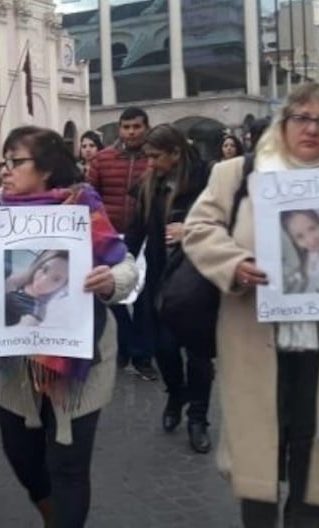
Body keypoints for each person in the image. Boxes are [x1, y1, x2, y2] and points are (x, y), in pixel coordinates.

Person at [182, 82, 319, 528]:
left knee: (315, 454)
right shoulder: (237, 174)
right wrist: (236, 264)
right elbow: (199, 229)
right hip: (254, 338)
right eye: (302, 117)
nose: (312, 129)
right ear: (284, 123)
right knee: (259, 456)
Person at [0, 126, 138, 528]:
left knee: (68, 464)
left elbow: (125, 266)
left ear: (48, 168)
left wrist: (111, 281)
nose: (5, 170)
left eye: (16, 162)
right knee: (23, 457)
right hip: (14, 362)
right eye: (4, 161)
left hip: (81, 356)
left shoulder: (83, 209)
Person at [124, 124, 214, 453]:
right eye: (146, 157)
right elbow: (134, 232)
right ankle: (176, 393)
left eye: (155, 157)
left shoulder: (208, 180)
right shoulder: (150, 186)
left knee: (199, 355)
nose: (149, 163)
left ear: (175, 153)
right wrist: (119, 262)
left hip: (201, 279)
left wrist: (189, 230)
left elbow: (228, 224)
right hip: (162, 279)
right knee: (163, 347)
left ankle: (198, 418)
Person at [86, 107, 157, 381]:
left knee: (145, 299)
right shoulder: (103, 160)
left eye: (137, 126)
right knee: (113, 294)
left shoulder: (154, 159)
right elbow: (90, 196)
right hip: (110, 238)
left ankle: (143, 356)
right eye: (126, 127)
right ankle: (127, 346)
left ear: (146, 127)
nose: (131, 132)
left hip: (147, 236)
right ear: (120, 129)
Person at [280, 210, 319, 294]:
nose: (310, 240)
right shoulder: (308, 256)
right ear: (294, 241)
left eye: (312, 228)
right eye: (300, 236)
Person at [4, 251, 70, 327]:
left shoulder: (35, 312)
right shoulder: (19, 280)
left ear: (62, 286)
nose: (43, 280)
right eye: (45, 269)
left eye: (56, 279)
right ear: (39, 266)